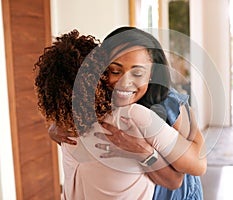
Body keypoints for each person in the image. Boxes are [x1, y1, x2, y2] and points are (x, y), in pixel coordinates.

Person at [39, 27, 206, 199]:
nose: (125, 83)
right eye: (115, 71)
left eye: (138, 73)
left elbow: (196, 163)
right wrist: (54, 128)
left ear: (151, 75)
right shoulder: (101, 105)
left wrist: (141, 150)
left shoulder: (166, 102)